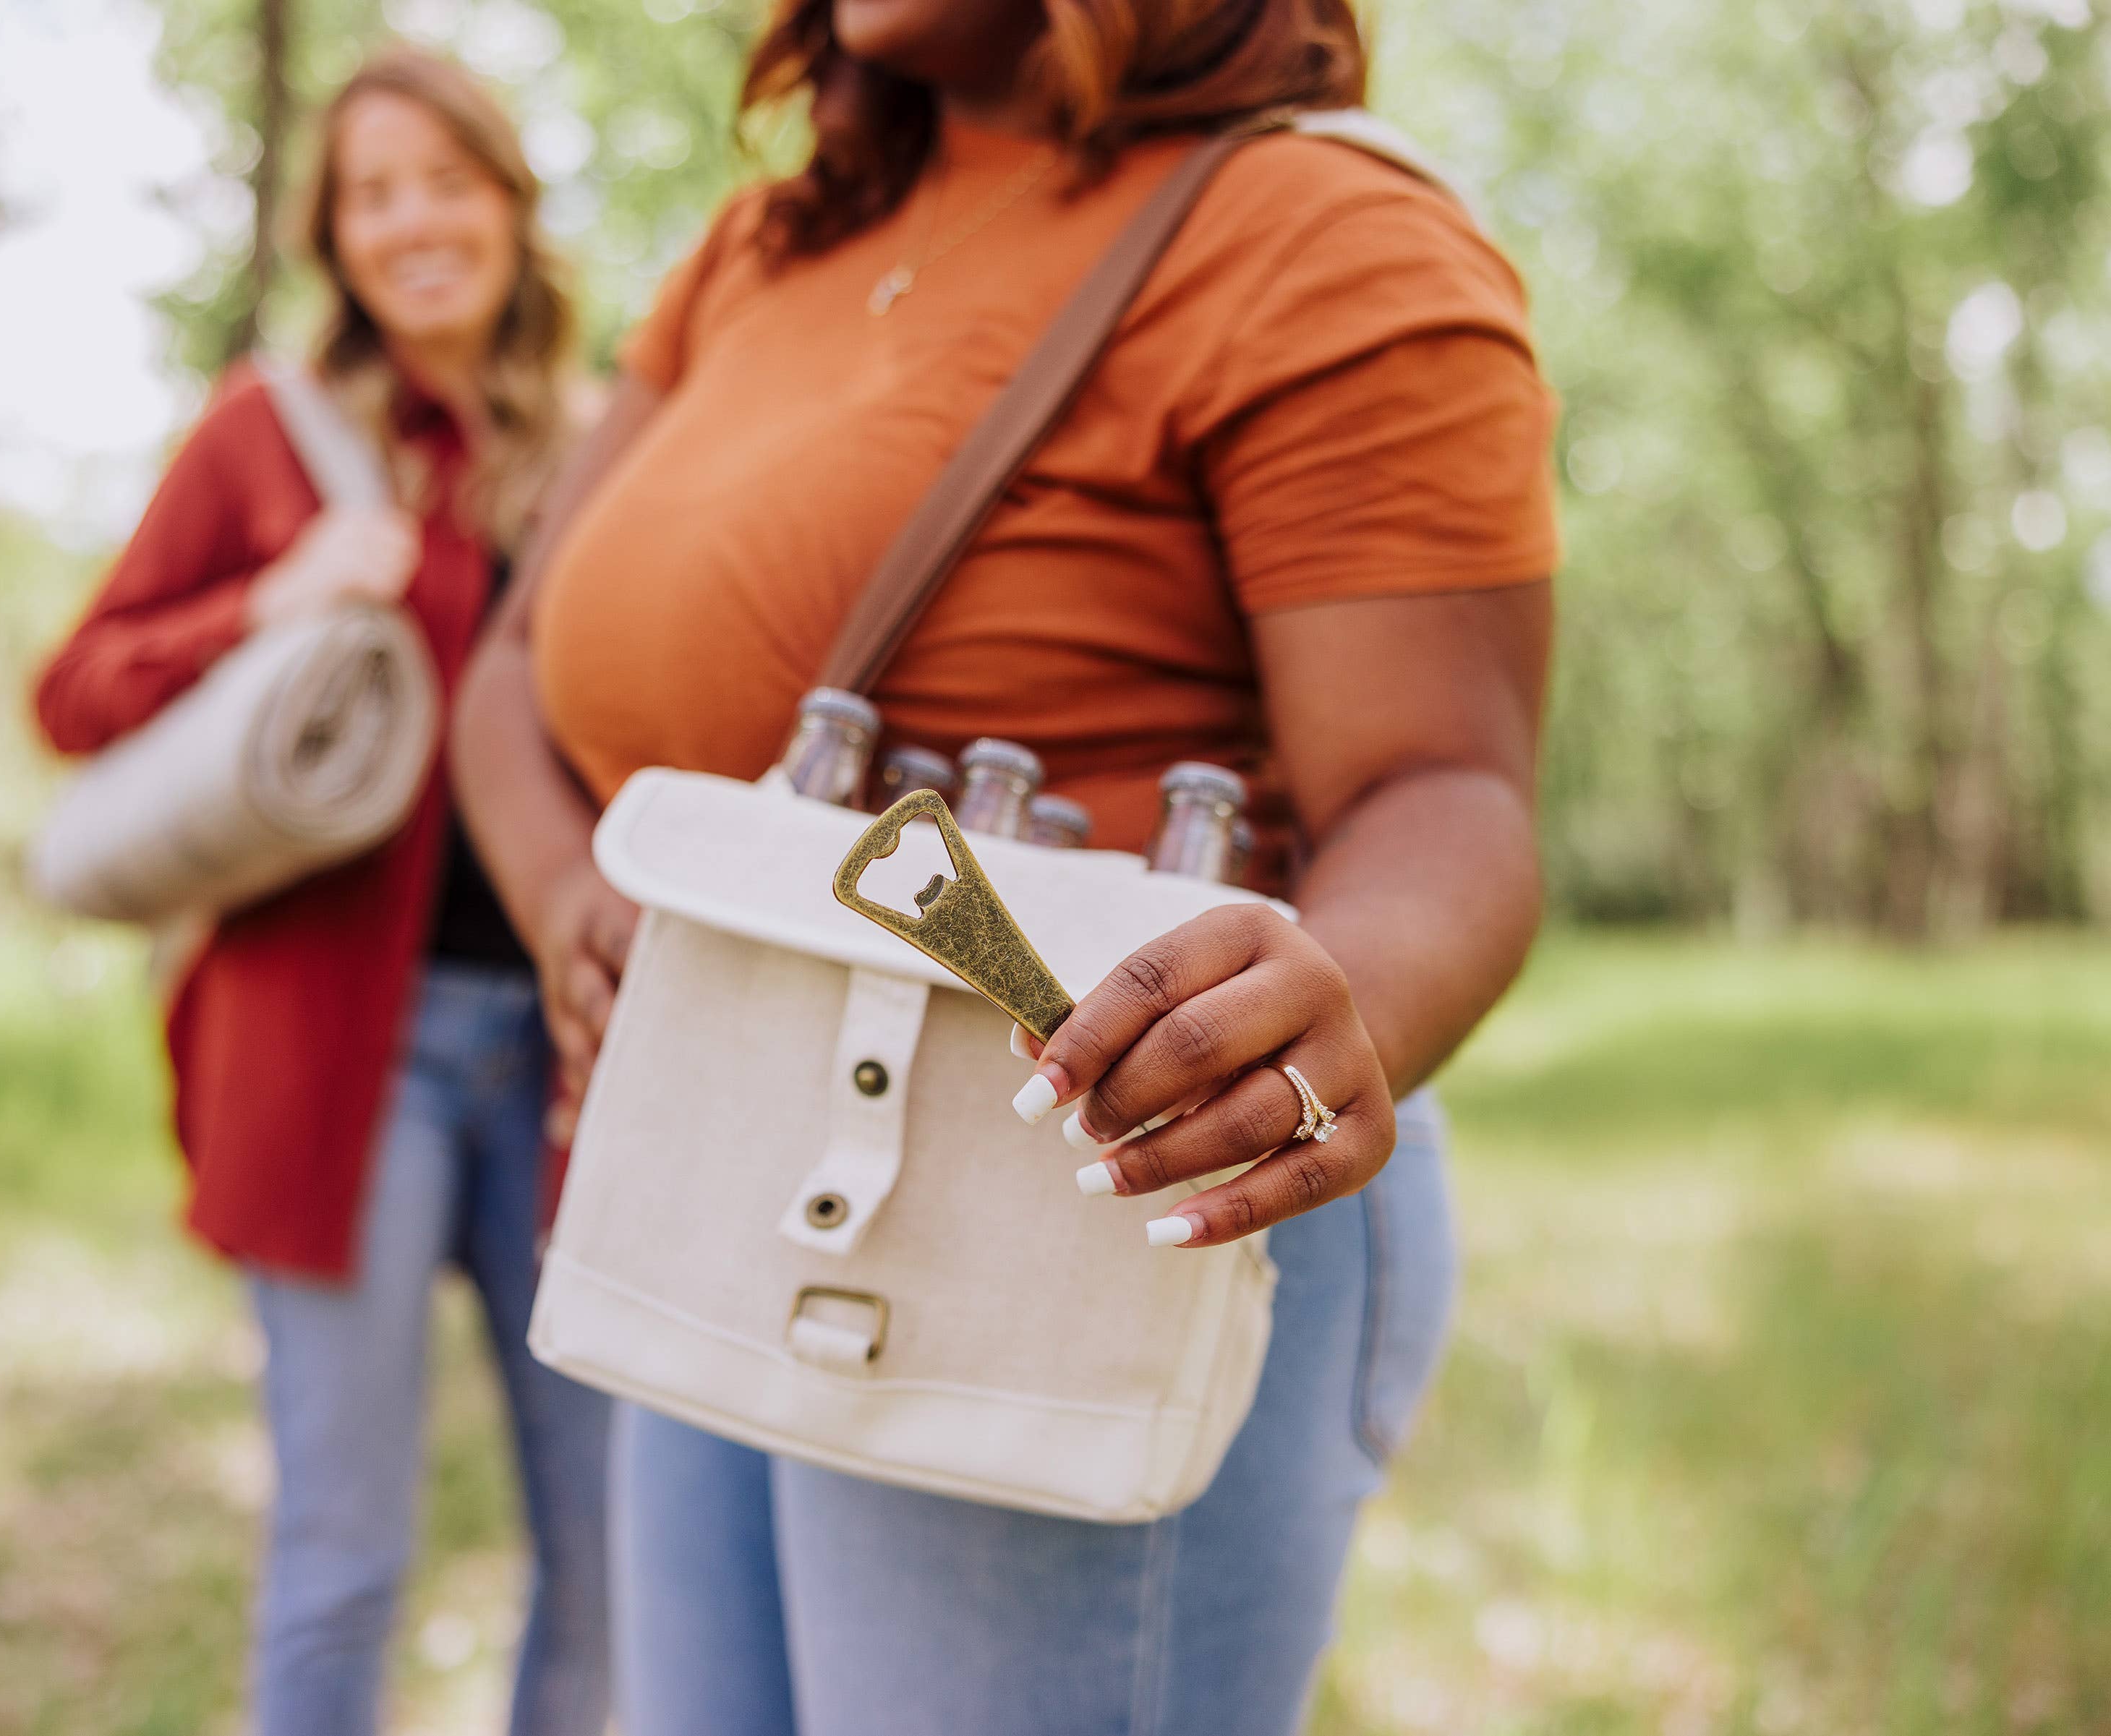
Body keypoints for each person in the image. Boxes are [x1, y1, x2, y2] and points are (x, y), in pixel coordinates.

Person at [451, 0, 1555, 1730]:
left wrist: (1340, 1003)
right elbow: (512, 665)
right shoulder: (764, 248)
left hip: (1079, 1208)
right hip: (718, 1163)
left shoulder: (1316, 230)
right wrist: (564, 900)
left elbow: (1445, 786)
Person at [34, 47, 608, 1736]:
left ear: (510, 203)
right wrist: (266, 598)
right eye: (373, 194)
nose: (414, 222)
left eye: (447, 181)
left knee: (612, 1554)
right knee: (345, 1554)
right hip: (343, 1050)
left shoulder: (603, 451)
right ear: (335, 236)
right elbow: (72, 692)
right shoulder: (270, 436)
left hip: (577, 1056)